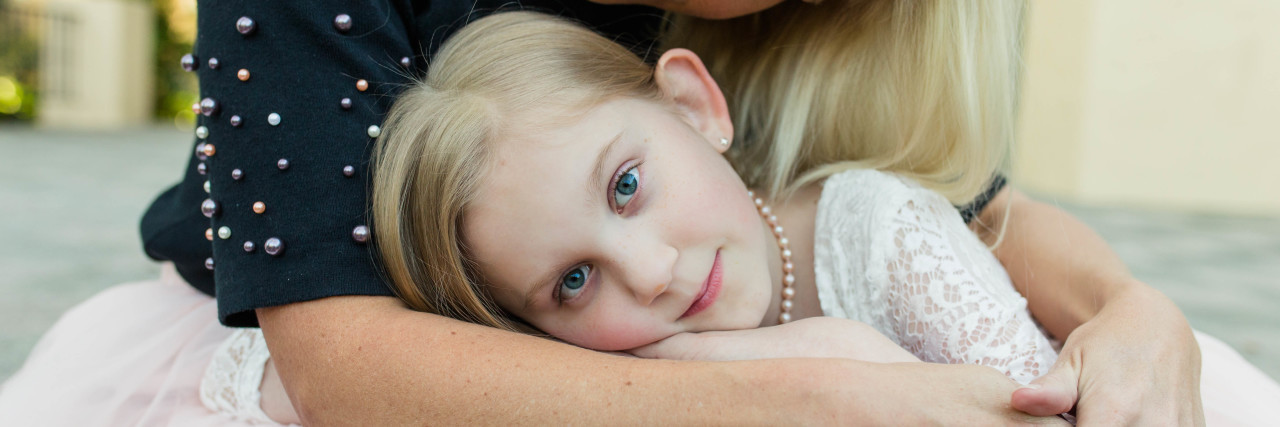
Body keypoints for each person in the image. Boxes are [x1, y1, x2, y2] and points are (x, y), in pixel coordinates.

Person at [0, 0, 1248, 425]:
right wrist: (809, 389)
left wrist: (1136, 310)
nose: (646, 269)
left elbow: (966, 207)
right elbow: (339, 361)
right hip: (367, 354)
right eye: (581, 271)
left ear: (693, 99)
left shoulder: (768, 102)